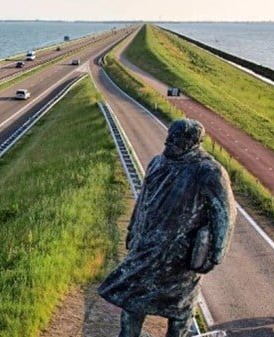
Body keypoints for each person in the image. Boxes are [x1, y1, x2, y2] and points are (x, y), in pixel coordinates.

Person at [98, 119, 236, 337]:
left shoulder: (209, 172)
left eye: (176, 138)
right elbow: (143, 200)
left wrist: (215, 254)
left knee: (180, 312)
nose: (168, 141)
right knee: (132, 303)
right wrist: (133, 230)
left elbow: (224, 215)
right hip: (146, 251)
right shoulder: (157, 163)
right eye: (170, 135)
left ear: (193, 142)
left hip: (179, 259)